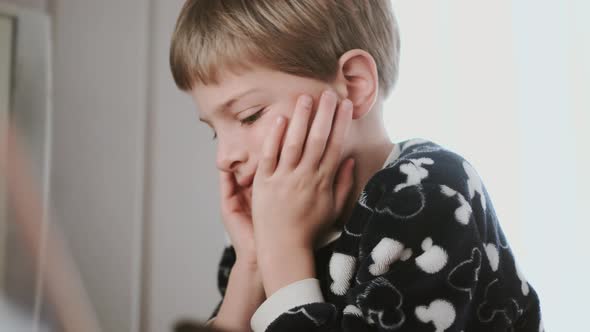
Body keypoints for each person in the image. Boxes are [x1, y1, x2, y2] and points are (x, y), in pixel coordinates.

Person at [169, 1, 543, 331]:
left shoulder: (428, 194)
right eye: (214, 132)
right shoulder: (261, 224)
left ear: (354, 84)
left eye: (249, 116)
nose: (224, 157)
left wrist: (283, 253)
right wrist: (251, 264)